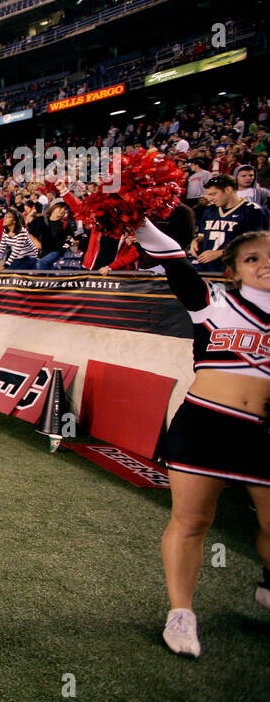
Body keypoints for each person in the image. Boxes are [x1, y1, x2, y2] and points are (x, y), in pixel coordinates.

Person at [132, 220, 270, 656]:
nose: (265, 265)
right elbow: (172, 257)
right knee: (192, 521)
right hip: (205, 424)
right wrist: (135, 218)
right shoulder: (213, 303)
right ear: (234, 270)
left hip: (264, 435)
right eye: (253, 259)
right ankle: (181, 614)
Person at [192, 176, 269, 273]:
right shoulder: (209, 210)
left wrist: (220, 253)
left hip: (235, 269)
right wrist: (196, 241)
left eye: (213, 194)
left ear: (228, 189)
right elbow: (203, 235)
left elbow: (256, 244)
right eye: (208, 195)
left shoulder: (252, 211)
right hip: (209, 268)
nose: (210, 199)